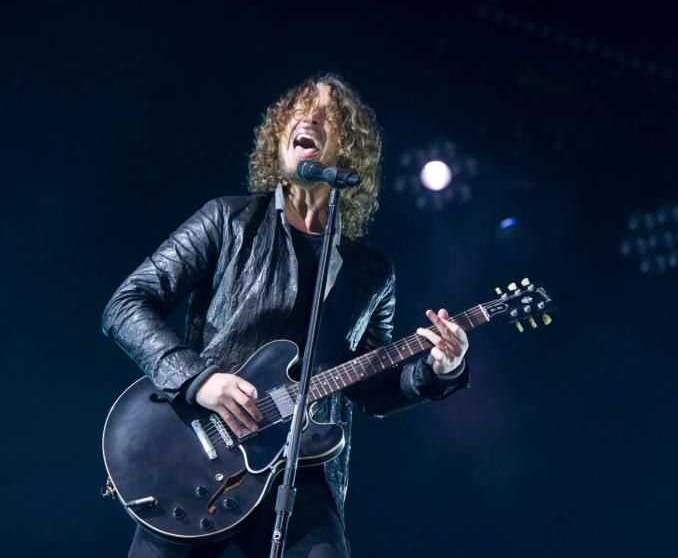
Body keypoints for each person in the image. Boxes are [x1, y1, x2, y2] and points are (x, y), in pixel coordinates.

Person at [102, 74, 470, 557]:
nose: (308, 118)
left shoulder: (372, 272)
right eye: (297, 111)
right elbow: (126, 303)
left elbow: (370, 386)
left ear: (349, 148)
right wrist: (198, 380)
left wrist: (441, 369)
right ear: (279, 136)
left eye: (327, 115)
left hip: (302, 471)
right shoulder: (227, 220)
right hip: (197, 453)